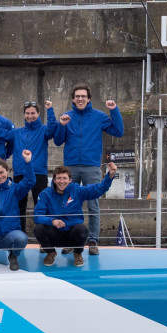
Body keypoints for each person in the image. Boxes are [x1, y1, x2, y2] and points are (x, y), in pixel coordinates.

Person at [58, 85, 124, 255]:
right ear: (73, 99)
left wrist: (114, 110)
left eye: (83, 96)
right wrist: (61, 125)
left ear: (88, 99)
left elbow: (118, 131)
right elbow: (58, 141)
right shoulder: (67, 116)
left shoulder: (99, 116)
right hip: (70, 166)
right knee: (69, 204)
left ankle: (93, 241)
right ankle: (70, 240)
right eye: (77, 96)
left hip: (91, 166)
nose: (80, 99)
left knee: (93, 206)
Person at [33, 164, 116, 267]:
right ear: (54, 180)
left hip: (72, 234)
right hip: (54, 233)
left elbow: (97, 189)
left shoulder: (77, 190)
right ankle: (50, 252)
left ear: (70, 180)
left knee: (82, 229)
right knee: (38, 229)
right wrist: (52, 221)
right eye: (58, 178)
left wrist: (110, 176)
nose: (62, 181)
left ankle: (77, 253)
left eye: (64, 178)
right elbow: (37, 216)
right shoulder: (45, 194)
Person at [14, 100, 65, 226]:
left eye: (33, 113)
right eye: (27, 113)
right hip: (20, 173)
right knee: (19, 207)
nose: (30, 116)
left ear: (38, 114)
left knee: (41, 207)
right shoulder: (17, 132)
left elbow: (53, 128)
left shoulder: (44, 130)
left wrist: (50, 110)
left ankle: (42, 237)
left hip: (39, 173)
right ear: (24, 114)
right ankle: (19, 236)